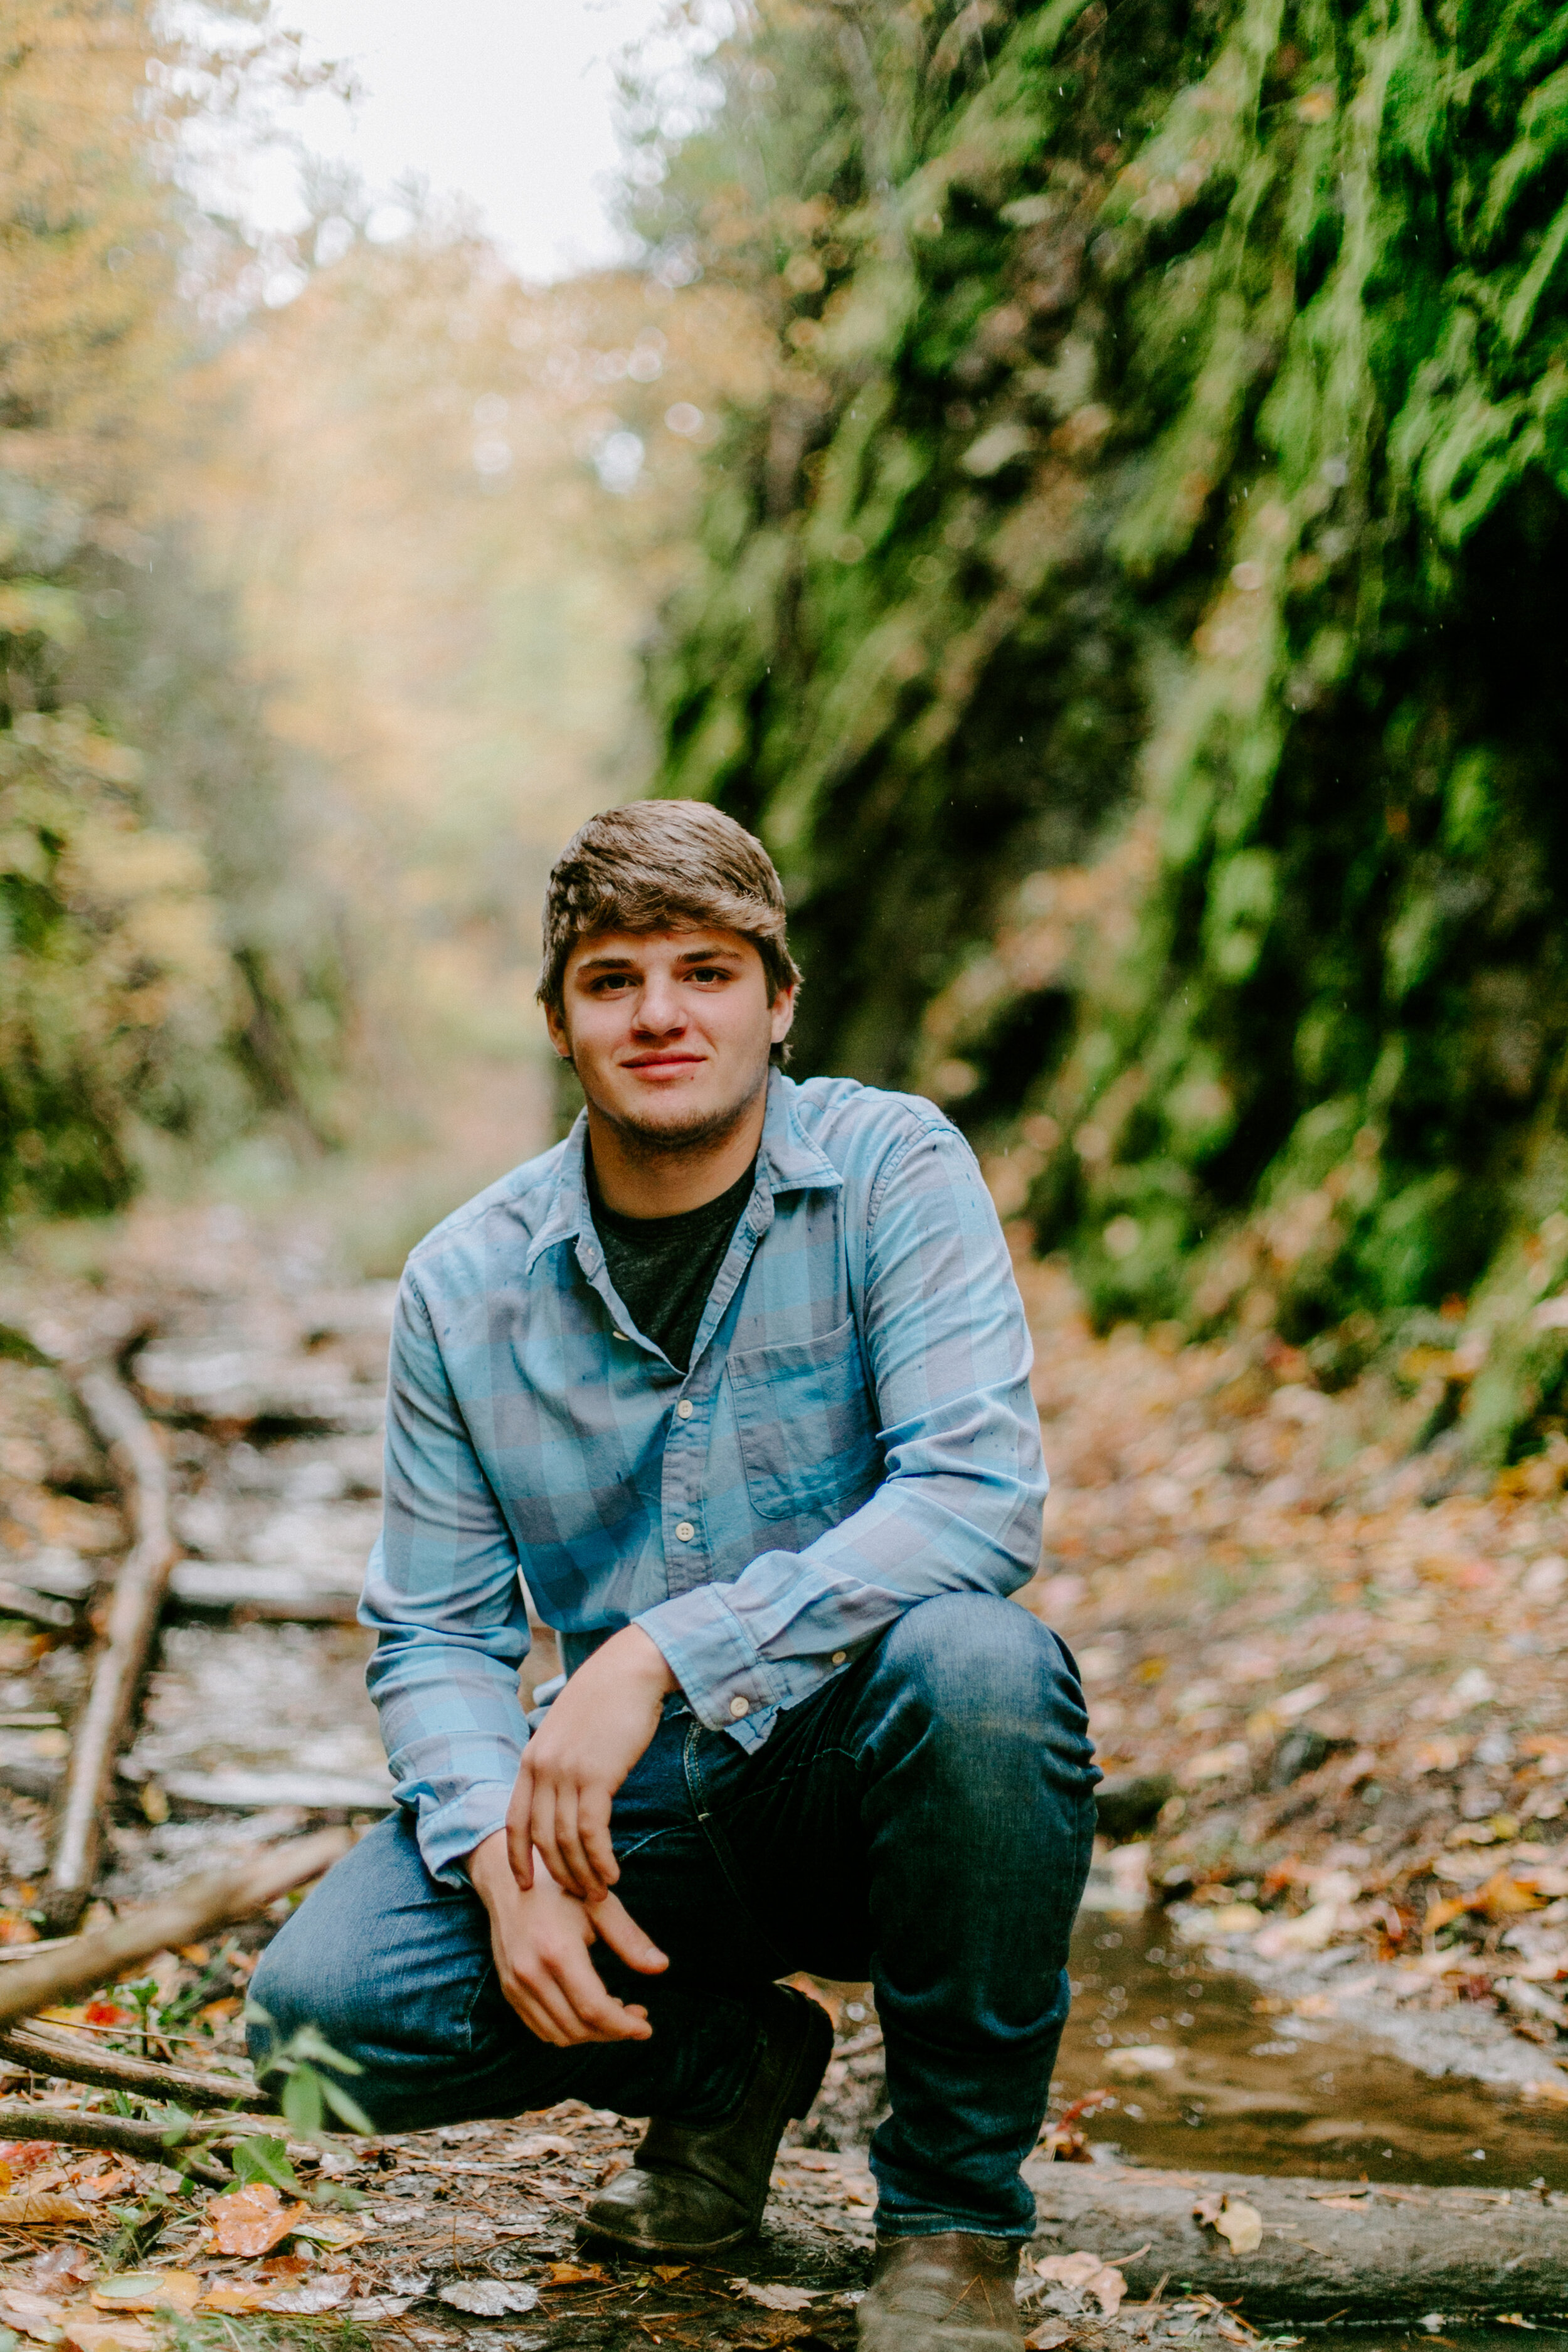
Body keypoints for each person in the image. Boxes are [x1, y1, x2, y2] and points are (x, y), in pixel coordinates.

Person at [250, 801, 1098, 2351]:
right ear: (558, 1022)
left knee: (985, 1666)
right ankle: (727, 2067)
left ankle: (950, 2227)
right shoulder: (462, 1284)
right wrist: (496, 1859)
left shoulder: (893, 1168)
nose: (659, 1013)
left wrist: (652, 1655)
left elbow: (976, 1499)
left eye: (705, 971)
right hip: (631, 1826)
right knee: (325, 2020)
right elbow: (433, 1631)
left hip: (859, 1777)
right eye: (612, 979)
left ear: (778, 1003)